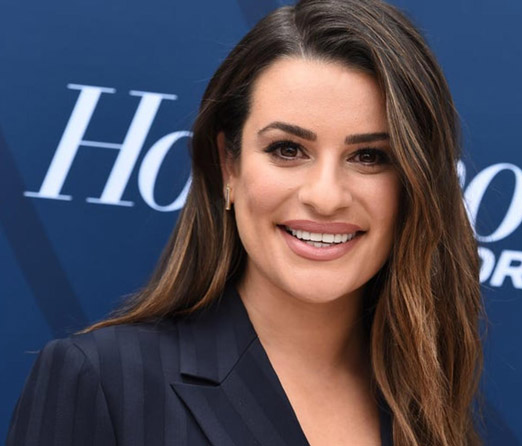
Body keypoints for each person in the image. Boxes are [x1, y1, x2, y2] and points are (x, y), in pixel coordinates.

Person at [7, 0, 484, 445]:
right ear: (228, 165)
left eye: (369, 156)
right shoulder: (102, 381)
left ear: (417, 182)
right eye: (288, 150)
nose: (325, 196)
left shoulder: (430, 405)